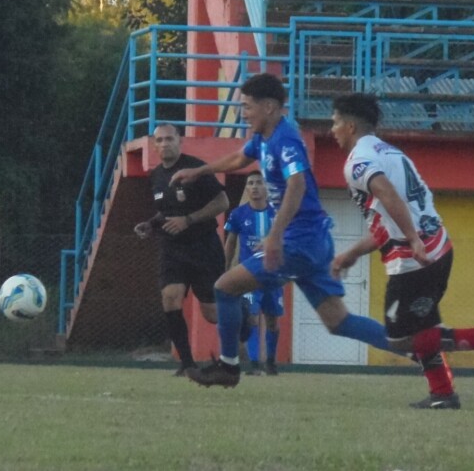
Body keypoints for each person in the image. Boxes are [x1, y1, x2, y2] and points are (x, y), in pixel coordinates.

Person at [170, 72, 402, 388]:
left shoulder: (285, 139)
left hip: (300, 241)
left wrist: (276, 234)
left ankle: (228, 367)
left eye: (247, 106)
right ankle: (423, 349)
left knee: (224, 287)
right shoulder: (264, 138)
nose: (243, 113)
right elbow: (239, 158)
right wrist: (199, 171)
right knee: (339, 322)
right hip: (313, 240)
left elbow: (297, 184)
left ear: (268, 107)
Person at [329, 92, 474, 409]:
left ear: (351, 126)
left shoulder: (358, 161)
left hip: (414, 260)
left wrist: (412, 239)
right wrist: (352, 253)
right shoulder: (394, 154)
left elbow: (387, 194)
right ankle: (443, 394)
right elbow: (388, 219)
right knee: (424, 329)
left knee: (399, 338)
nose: (333, 130)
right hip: (438, 248)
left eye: (335, 123)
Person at [134, 123, 230, 376]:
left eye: (169, 139)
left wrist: (188, 220)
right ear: (154, 146)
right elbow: (165, 211)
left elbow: (223, 202)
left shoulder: (195, 169)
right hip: (172, 248)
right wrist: (151, 224)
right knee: (170, 297)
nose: (164, 144)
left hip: (203, 246)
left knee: (211, 313)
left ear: (180, 141)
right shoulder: (156, 176)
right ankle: (187, 363)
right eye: (159, 140)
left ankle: (242, 311)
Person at [224, 171, 284, 376]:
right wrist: (225, 267)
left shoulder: (277, 214)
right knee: (251, 318)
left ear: (266, 187)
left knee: (272, 321)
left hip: (273, 275)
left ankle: (271, 362)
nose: (255, 186)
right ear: (247, 188)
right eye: (250, 183)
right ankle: (254, 364)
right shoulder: (238, 214)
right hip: (248, 275)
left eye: (259, 182)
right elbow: (231, 242)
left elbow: (288, 239)